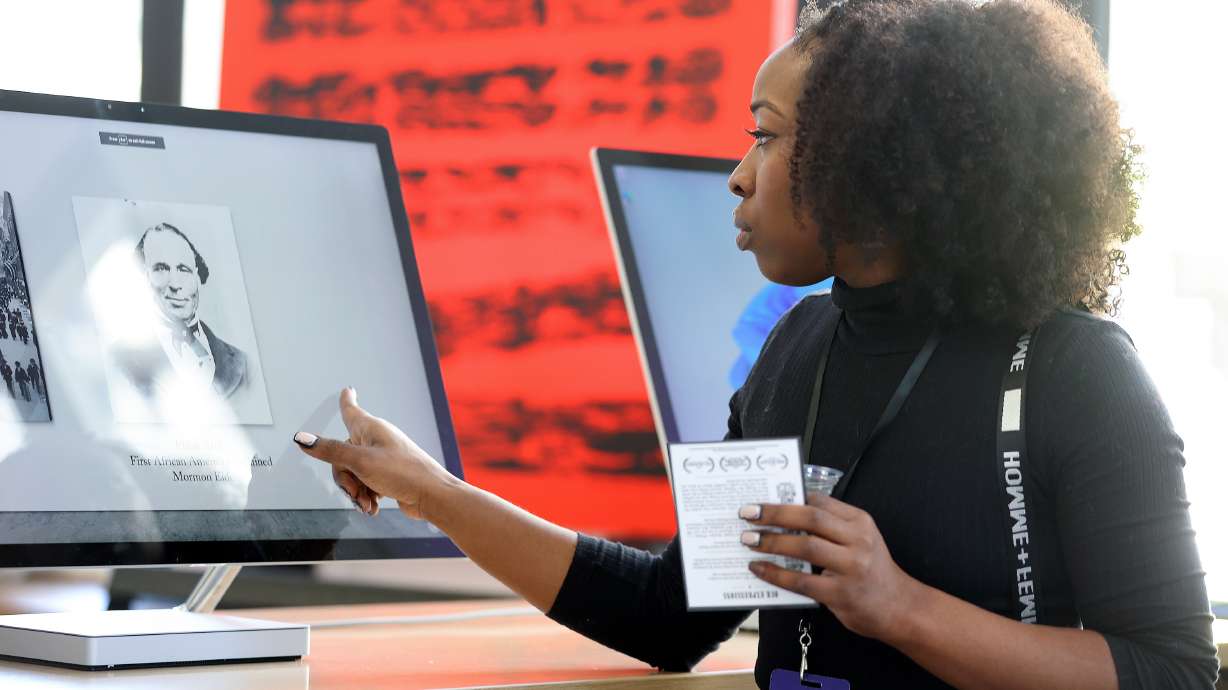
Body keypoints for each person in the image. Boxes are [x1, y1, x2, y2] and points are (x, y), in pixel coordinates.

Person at [293, 1, 1218, 688]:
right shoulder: (794, 355)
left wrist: (901, 610)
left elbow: (1173, 670)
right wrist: (432, 492)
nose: (737, 177)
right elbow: (667, 616)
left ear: (875, 161)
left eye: (764, 139)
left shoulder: (1076, 372)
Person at [119, 222, 248, 399]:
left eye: (183, 269)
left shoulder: (240, 361)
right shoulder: (124, 363)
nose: (176, 284)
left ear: (197, 275)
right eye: (161, 269)